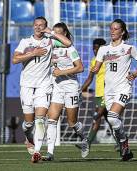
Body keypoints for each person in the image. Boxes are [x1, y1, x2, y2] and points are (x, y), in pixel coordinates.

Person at [12, 17, 72, 163]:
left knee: (40, 119)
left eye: (41, 26)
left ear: (45, 27)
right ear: (33, 27)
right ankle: (28, 136)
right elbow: (15, 59)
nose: (38, 28)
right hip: (26, 85)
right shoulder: (25, 42)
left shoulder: (50, 40)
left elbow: (68, 43)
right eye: (36, 25)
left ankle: (37, 152)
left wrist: (51, 32)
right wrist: (33, 53)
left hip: (44, 85)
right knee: (28, 123)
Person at [92, 19, 137, 161]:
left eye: (116, 29)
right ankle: (125, 147)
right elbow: (97, 68)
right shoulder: (103, 49)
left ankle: (123, 142)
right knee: (114, 121)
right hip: (108, 90)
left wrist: (134, 74)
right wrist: (95, 69)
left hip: (123, 88)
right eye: (111, 28)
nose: (112, 31)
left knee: (112, 117)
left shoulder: (129, 48)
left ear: (122, 32)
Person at [40, 22, 89, 161]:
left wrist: (62, 72)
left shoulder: (70, 49)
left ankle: (85, 140)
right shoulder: (51, 47)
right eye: (53, 33)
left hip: (71, 87)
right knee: (51, 119)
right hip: (57, 86)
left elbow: (80, 68)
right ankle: (50, 153)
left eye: (58, 34)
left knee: (72, 122)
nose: (54, 37)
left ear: (65, 34)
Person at [76, 38, 120, 150]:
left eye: (97, 48)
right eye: (93, 49)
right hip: (99, 94)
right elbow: (90, 78)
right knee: (108, 119)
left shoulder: (109, 60)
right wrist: (81, 90)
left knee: (97, 116)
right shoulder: (94, 61)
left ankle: (87, 143)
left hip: (109, 93)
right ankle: (121, 142)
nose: (95, 51)